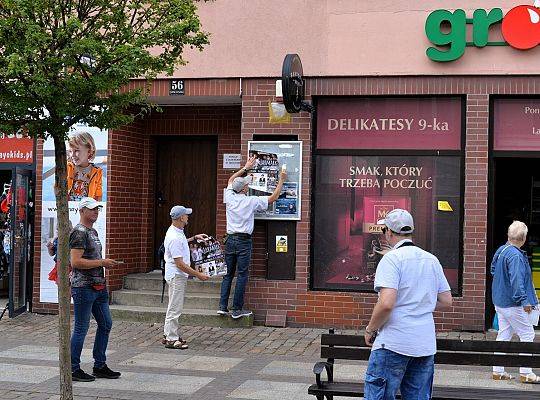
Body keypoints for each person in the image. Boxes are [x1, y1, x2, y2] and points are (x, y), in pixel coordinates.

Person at [363, 209, 452, 400]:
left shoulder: (391, 259)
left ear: (388, 232)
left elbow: (386, 303)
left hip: (393, 342)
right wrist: (420, 300)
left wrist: (371, 329)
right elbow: (446, 300)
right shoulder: (431, 259)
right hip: (424, 343)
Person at [218, 155, 286, 319]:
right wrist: (282, 180)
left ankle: (222, 307)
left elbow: (231, 179)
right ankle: (236, 309)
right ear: (243, 189)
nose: (248, 186)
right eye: (247, 184)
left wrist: (246, 167)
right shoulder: (251, 201)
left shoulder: (230, 197)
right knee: (242, 275)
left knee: (228, 274)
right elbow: (273, 198)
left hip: (229, 240)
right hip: (243, 241)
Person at [69, 197, 120, 382]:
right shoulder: (79, 232)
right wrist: (102, 262)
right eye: (91, 209)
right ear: (82, 211)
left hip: (98, 286)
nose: (95, 212)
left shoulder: (93, 231)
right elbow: (75, 262)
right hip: (84, 287)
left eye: (97, 209)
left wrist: (104, 265)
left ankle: (100, 365)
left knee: (106, 324)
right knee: (81, 328)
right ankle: (73, 369)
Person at [491, 220, 540, 383]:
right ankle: (526, 373)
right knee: (527, 334)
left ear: (509, 235)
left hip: (500, 301)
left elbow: (493, 269)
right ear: (524, 238)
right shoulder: (515, 256)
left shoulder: (501, 250)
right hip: (513, 303)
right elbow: (517, 281)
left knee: (504, 334)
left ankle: (498, 371)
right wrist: (525, 301)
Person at [163, 205, 210, 349]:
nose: (188, 217)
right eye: (186, 215)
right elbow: (180, 264)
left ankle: (168, 335)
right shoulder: (174, 237)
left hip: (176, 274)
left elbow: (181, 243)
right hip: (177, 275)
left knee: (173, 305)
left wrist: (194, 238)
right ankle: (171, 338)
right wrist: (198, 274)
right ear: (181, 218)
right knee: (175, 307)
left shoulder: (176, 231)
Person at [67, 131, 103, 201]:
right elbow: (58, 189)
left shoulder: (97, 172)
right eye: (70, 151)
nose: (72, 155)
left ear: (89, 151)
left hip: (87, 209)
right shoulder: (67, 167)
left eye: (77, 151)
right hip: (69, 209)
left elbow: (98, 196)